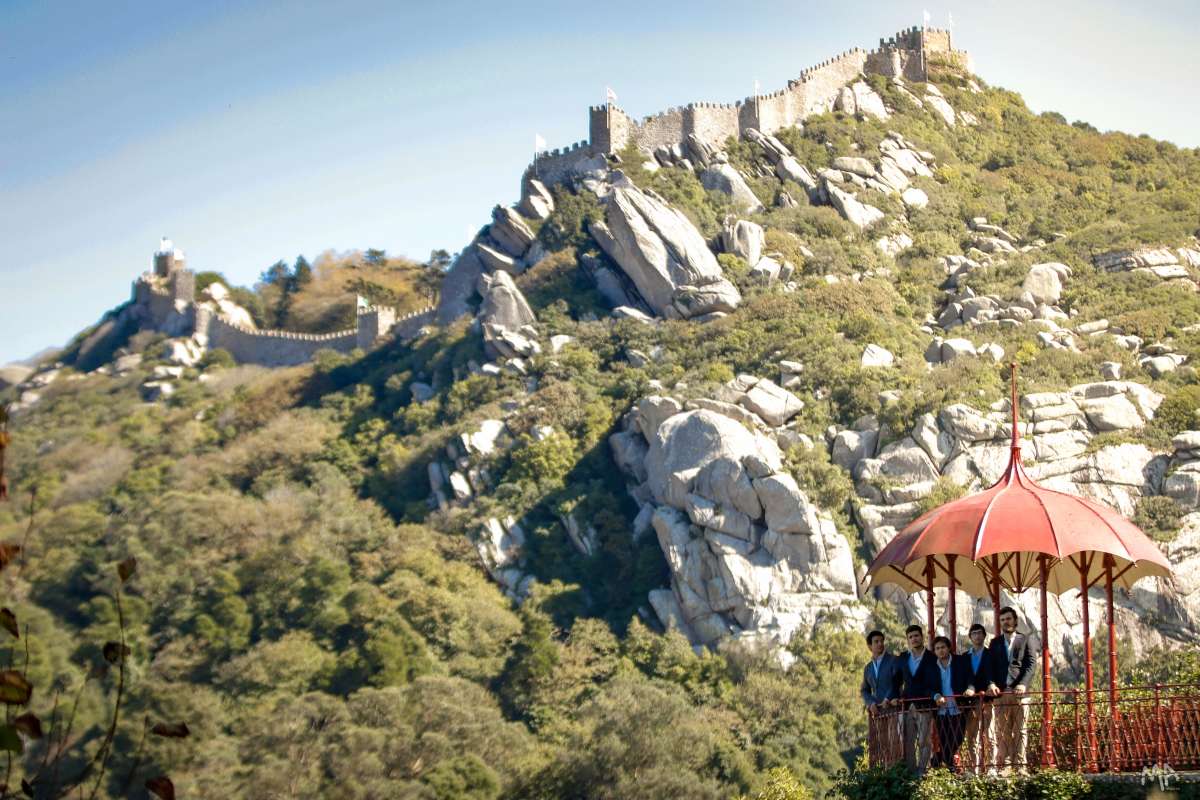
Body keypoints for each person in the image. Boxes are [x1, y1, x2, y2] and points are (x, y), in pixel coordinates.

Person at [987, 606, 1037, 773]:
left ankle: (1021, 765)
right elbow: (990, 667)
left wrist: (1023, 684)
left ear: (1015, 620)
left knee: (1021, 730)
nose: (1005, 622)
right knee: (1003, 731)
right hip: (1001, 693)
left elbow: (1031, 665)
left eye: (1008, 619)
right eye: (1002, 620)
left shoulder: (1026, 639)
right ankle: (1007, 765)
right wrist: (991, 684)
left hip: (1020, 693)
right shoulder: (995, 643)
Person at [899, 624, 939, 774]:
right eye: (911, 637)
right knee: (908, 741)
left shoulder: (932, 658)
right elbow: (897, 680)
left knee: (924, 740)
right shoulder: (903, 658)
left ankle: (922, 771)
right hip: (908, 705)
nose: (914, 639)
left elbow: (935, 681)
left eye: (916, 636)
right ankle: (910, 770)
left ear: (922, 637)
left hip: (924, 704)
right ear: (908, 640)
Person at [861, 630, 902, 765]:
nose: (880, 644)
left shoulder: (893, 660)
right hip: (878, 711)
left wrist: (888, 698)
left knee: (894, 741)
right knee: (882, 743)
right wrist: (870, 702)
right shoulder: (868, 668)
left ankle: (896, 769)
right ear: (869, 646)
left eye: (881, 641)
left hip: (893, 708)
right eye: (876, 642)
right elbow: (864, 690)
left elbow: (897, 682)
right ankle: (886, 771)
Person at [960, 623, 996, 774]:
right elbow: (962, 678)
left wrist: (992, 685)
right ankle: (973, 767)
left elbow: (995, 674)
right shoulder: (964, 657)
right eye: (974, 633)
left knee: (990, 734)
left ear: (984, 635)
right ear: (970, 637)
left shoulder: (991, 654)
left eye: (980, 633)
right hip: (970, 701)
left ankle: (991, 767)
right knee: (972, 736)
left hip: (988, 700)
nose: (977, 636)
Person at [930, 635, 970, 769]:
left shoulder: (960, 661)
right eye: (937, 648)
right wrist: (935, 695)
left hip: (958, 706)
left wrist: (970, 688)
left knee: (958, 738)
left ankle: (938, 759)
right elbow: (928, 686)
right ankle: (950, 768)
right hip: (941, 710)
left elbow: (969, 678)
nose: (940, 650)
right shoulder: (932, 666)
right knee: (944, 739)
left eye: (943, 647)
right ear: (934, 651)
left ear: (948, 648)